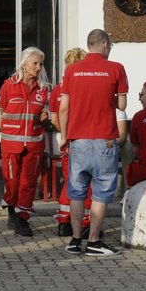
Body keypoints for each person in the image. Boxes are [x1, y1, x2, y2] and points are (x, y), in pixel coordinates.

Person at [57, 29, 127, 258]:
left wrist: (64, 136)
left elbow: (64, 107)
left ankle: (76, 240)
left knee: (76, 192)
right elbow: (123, 105)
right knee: (101, 192)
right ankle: (94, 241)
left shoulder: (72, 70)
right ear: (105, 44)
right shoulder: (116, 68)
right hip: (104, 140)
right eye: (111, 45)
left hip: (78, 140)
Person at [0, 48, 51, 237]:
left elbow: (44, 114)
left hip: (34, 144)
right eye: (34, 63)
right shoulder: (8, 86)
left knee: (28, 183)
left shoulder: (43, 89)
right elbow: (2, 111)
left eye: (41, 64)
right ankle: (12, 208)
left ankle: (22, 219)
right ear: (24, 64)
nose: (38, 67)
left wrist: (45, 117)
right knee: (12, 182)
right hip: (12, 144)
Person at [50, 47, 90, 237]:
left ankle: (64, 221)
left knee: (69, 181)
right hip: (84, 139)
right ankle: (85, 221)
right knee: (87, 182)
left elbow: (54, 118)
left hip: (65, 141)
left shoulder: (58, 89)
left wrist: (64, 133)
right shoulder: (84, 87)